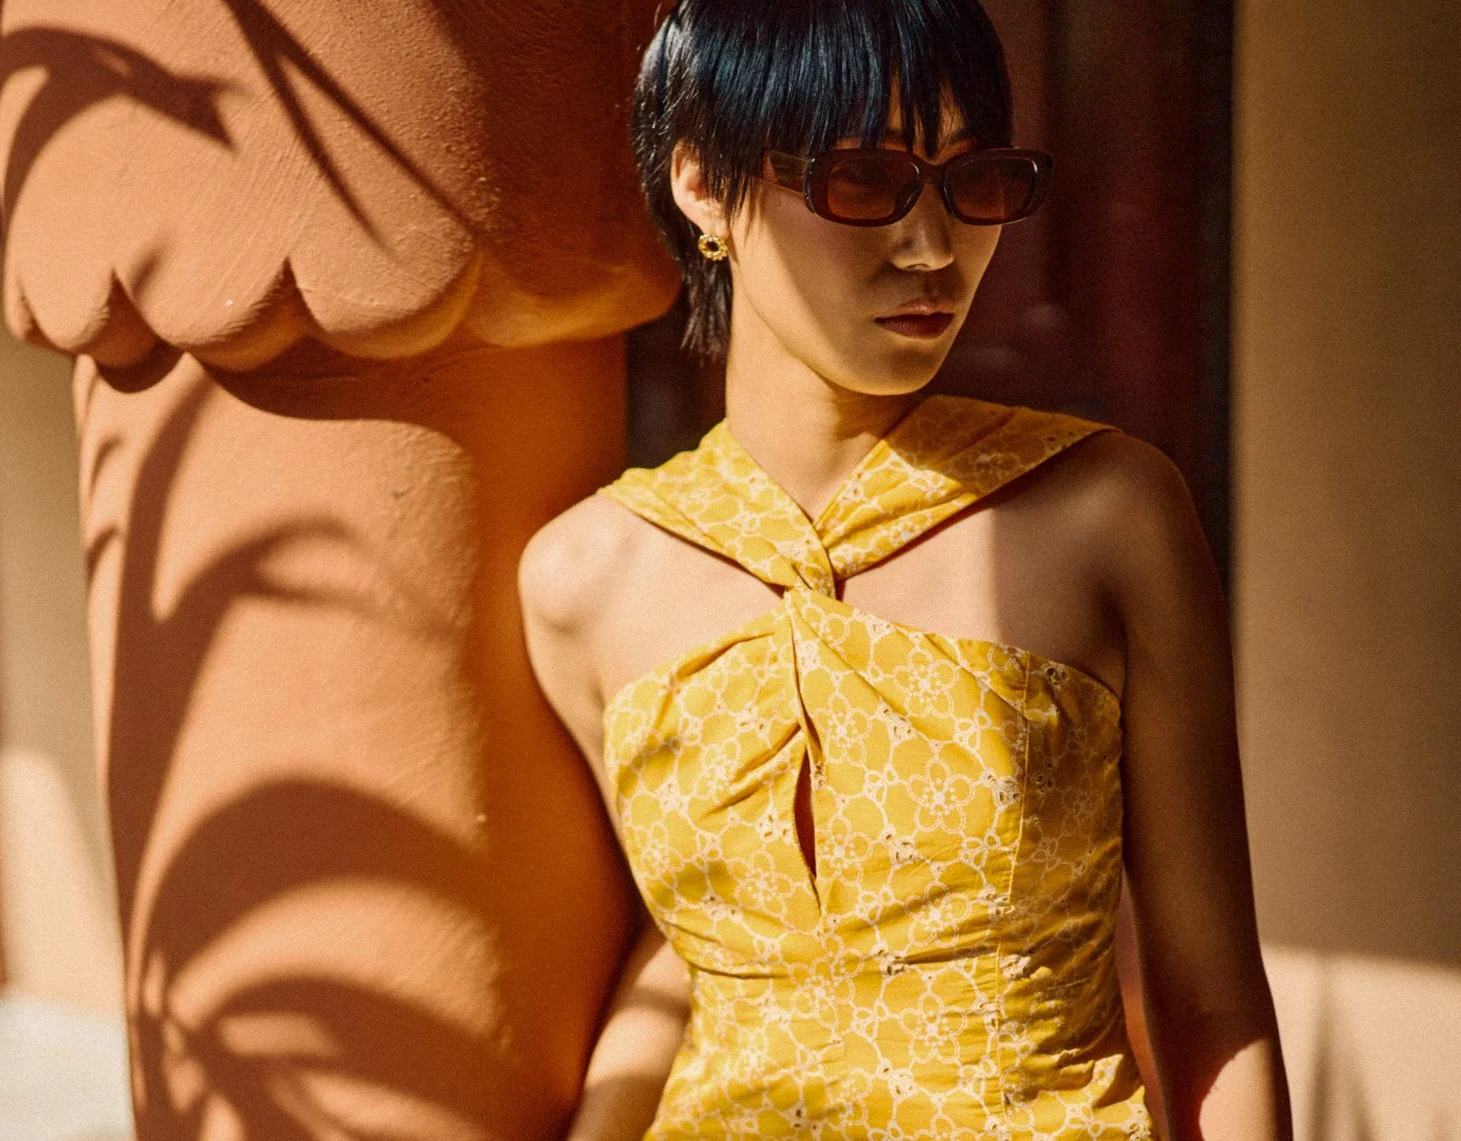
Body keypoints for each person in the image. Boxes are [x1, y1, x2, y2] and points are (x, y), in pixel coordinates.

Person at [517, 1, 1294, 1137]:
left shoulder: (1105, 514)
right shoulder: (582, 582)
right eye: (863, 179)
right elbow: (687, 949)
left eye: (972, 179)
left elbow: (1208, 995)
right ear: (699, 184)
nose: (931, 247)